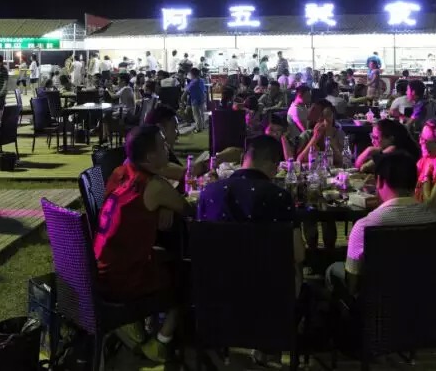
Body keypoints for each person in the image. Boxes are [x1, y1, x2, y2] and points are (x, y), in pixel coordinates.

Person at [94, 125, 187, 362]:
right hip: (123, 280)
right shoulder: (154, 186)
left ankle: (136, 325)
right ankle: (160, 342)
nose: (167, 148)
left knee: (165, 255)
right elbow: (188, 208)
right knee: (189, 276)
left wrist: (164, 204)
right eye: (162, 145)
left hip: (100, 269)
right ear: (149, 157)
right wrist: (167, 202)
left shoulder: (119, 171)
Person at [327, 151, 436, 297]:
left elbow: (352, 284)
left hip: (378, 303)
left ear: (379, 181)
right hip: (428, 300)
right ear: (415, 181)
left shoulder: (364, 227)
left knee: (332, 270)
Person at [197, 134, 305, 290]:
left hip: (217, 288)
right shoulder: (279, 197)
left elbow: (201, 247)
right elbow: (298, 254)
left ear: (243, 159)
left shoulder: (208, 193)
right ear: (274, 165)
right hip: (267, 290)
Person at [355, 118, 420, 173]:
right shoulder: (394, 148)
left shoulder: (395, 152)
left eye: (376, 138)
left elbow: (362, 168)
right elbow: (357, 166)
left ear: (391, 139)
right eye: (372, 137)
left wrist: (369, 150)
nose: (373, 141)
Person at [185, 67, 207, 133]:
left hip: (195, 99)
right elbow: (204, 90)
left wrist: (182, 98)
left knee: (196, 114)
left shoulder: (193, 82)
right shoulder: (201, 80)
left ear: (192, 74)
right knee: (201, 114)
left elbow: (187, 90)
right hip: (202, 98)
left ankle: (198, 128)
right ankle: (202, 126)